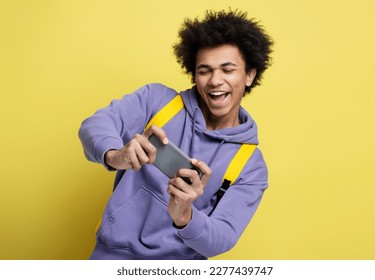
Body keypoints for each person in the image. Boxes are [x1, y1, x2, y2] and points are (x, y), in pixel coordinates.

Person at [79, 9, 273, 260]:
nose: (215, 80)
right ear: (194, 74)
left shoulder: (251, 166)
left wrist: (184, 215)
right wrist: (116, 156)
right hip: (111, 257)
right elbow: (94, 125)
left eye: (227, 69)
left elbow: (223, 237)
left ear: (249, 75)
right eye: (205, 70)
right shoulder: (157, 101)